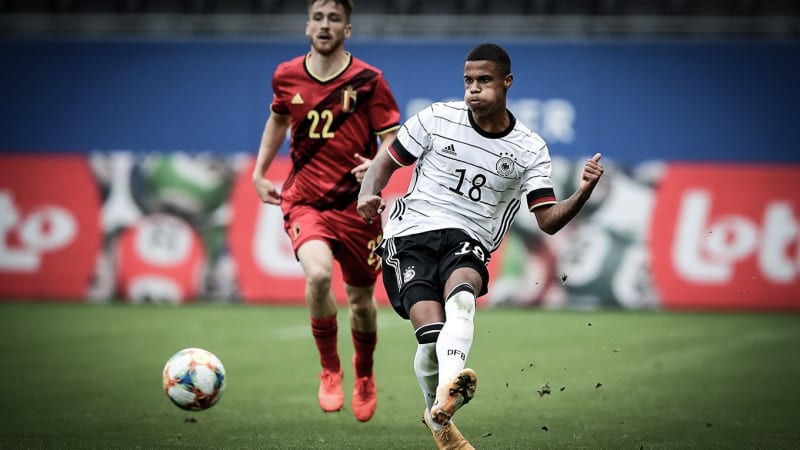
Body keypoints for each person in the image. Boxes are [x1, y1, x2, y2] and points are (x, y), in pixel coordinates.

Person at [357, 43, 604, 448]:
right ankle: (440, 421)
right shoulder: (437, 118)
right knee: (432, 340)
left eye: (484, 81)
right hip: (410, 234)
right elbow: (387, 160)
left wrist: (582, 192)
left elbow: (548, 221)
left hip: (468, 238)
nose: (474, 89)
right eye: (469, 81)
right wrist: (369, 191)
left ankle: (442, 404)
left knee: (464, 300)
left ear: (507, 83)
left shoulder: (529, 148)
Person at [252, 0, 400, 422]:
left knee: (361, 301)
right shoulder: (286, 75)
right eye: (318, 17)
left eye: (334, 18)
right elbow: (279, 122)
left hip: (358, 207)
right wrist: (260, 173)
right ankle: (330, 369)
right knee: (317, 275)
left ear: (346, 30)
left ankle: (364, 373)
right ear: (307, 26)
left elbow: (392, 138)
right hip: (306, 199)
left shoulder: (369, 80)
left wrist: (377, 165)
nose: (325, 25)